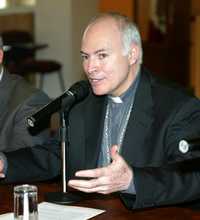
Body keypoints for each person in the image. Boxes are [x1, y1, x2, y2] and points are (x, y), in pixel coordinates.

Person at [1, 12, 200, 210]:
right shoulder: (82, 101)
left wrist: (131, 181)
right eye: (85, 57)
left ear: (132, 54)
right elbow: (57, 155)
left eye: (101, 55)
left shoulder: (178, 107)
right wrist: (6, 163)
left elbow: (193, 174)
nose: (90, 67)